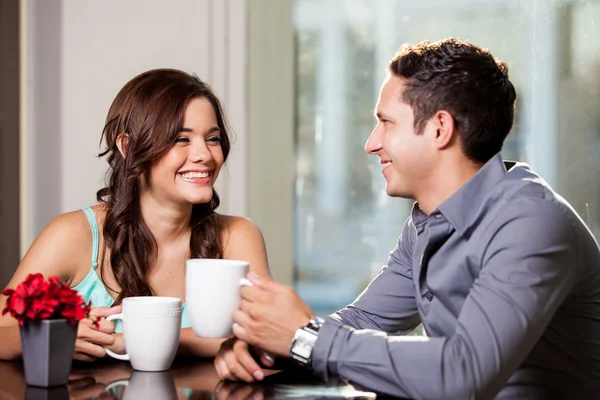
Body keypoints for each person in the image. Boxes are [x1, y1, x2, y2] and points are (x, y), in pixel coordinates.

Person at [214, 38, 600, 398]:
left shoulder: (531, 223)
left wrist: (305, 339)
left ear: (439, 129)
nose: (371, 143)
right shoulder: (427, 222)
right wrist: (269, 347)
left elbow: (464, 373)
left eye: (386, 122)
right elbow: (363, 321)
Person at [0, 69, 270, 362]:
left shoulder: (238, 236)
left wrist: (131, 340)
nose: (204, 154)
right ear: (127, 146)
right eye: (181, 139)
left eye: (213, 138)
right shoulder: (73, 234)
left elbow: (265, 336)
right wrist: (54, 336)